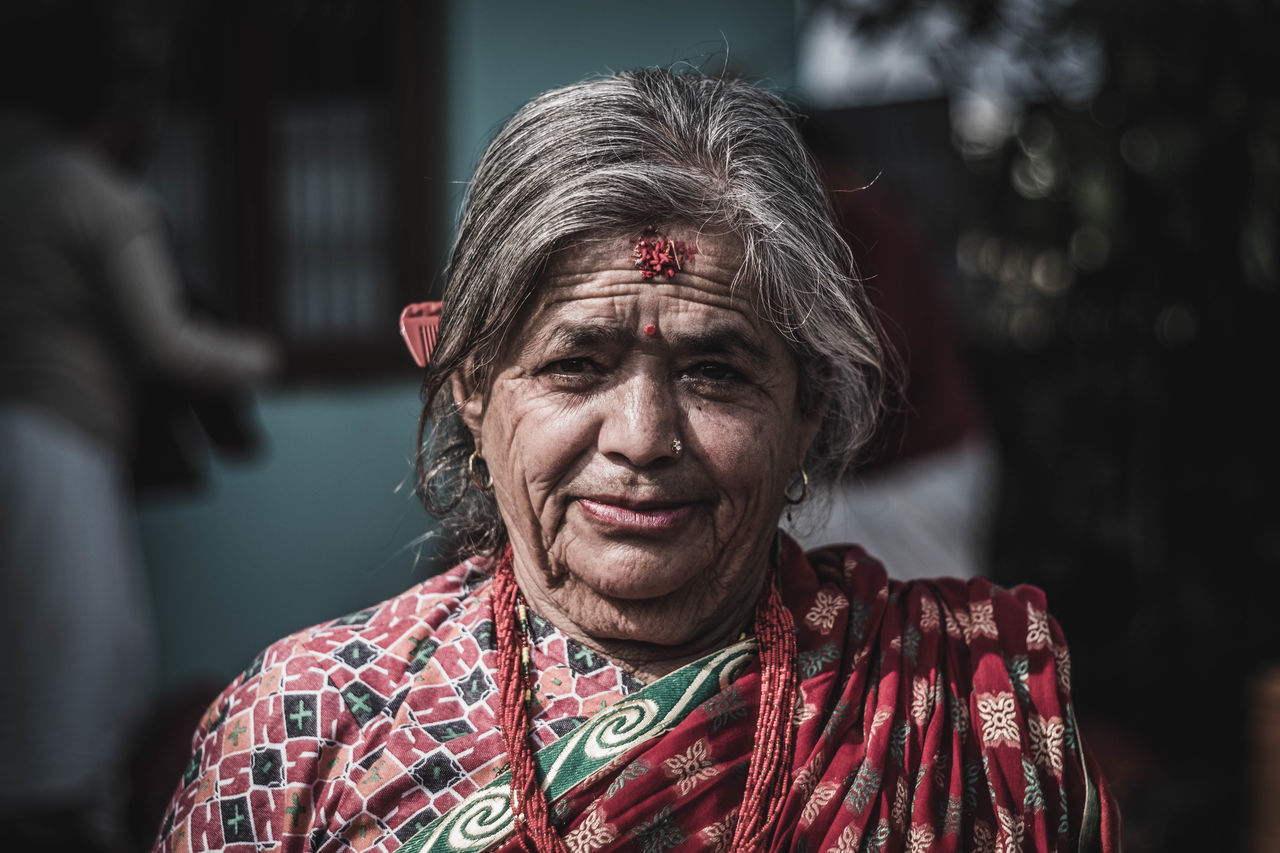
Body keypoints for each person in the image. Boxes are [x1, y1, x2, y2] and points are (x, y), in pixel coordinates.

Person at [152, 70, 1118, 852]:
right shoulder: (306, 724)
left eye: (715, 370)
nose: (642, 435)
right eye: (577, 365)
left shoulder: (958, 703)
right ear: (474, 389)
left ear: (807, 411)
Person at [0, 4, 279, 849]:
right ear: (117, 107)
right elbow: (168, 343)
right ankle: (73, 818)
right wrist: (266, 356)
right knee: (90, 650)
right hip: (58, 439)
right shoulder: (95, 194)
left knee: (43, 643)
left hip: (26, 438)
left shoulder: (18, 180)